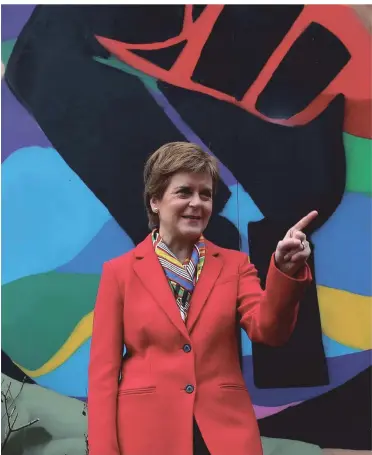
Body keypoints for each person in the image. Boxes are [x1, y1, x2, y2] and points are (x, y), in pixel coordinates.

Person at [87, 142, 316, 455]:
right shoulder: (119, 273)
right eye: (184, 192)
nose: (197, 203)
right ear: (155, 201)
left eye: (205, 194)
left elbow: (269, 330)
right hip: (146, 436)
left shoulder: (235, 265)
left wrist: (284, 271)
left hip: (224, 434)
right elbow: (103, 375)